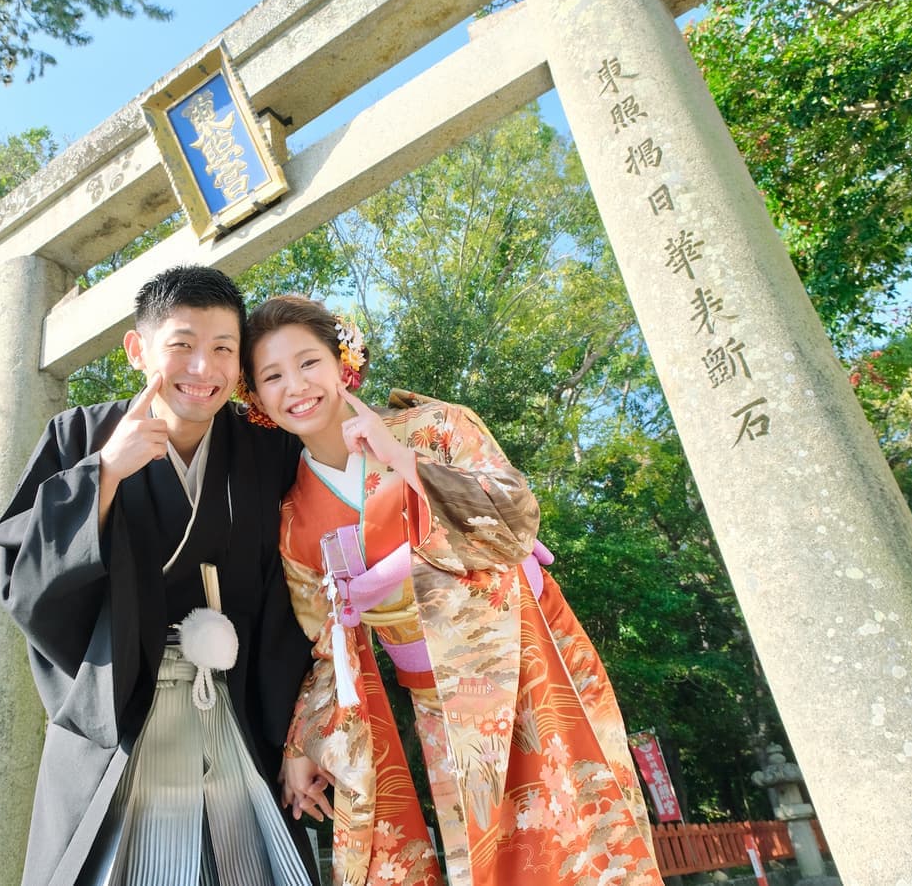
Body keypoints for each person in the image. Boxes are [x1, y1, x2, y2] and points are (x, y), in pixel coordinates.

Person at [241, 295, 663, 886]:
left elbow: (514, 525)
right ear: (256, 401)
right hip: (437, 699)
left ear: (344, 360)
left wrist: (403, 460)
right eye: (273, 376)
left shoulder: (437, 427)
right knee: (485, 854)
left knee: (583, 835)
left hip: (528, 660)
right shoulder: (294, 517)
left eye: (309, 362)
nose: (296, 386)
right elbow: (326, 645)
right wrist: (301, 744)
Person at [0, 267, 317, 886]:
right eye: (183, 345)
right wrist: (104, 475)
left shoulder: (267, 450)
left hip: (239, 709)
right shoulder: (80, 438)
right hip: (121, 715)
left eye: (223, 348)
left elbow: (303, 593)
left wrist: (300, 737)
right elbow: (22, 580)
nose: (204, 367)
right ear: (138, 350)